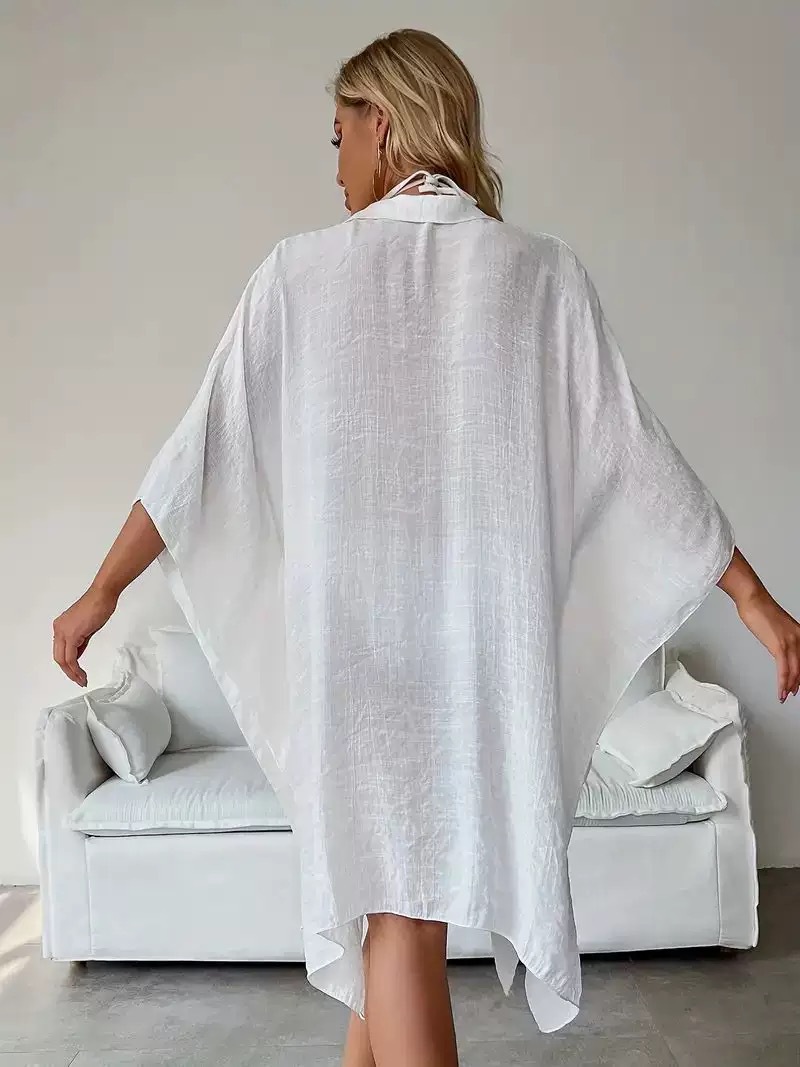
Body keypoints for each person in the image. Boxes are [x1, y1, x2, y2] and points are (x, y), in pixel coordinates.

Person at [52, 28, 798, 1067]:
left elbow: (199, 456)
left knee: (397, 915)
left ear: (386, 124)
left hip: (355, 665)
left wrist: (100, 590)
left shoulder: (299, 275)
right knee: (402, 915)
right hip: (481, 661)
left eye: (339, 135)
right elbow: (636, 456)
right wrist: (752, 596)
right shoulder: (540, 276)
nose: (335, 165)